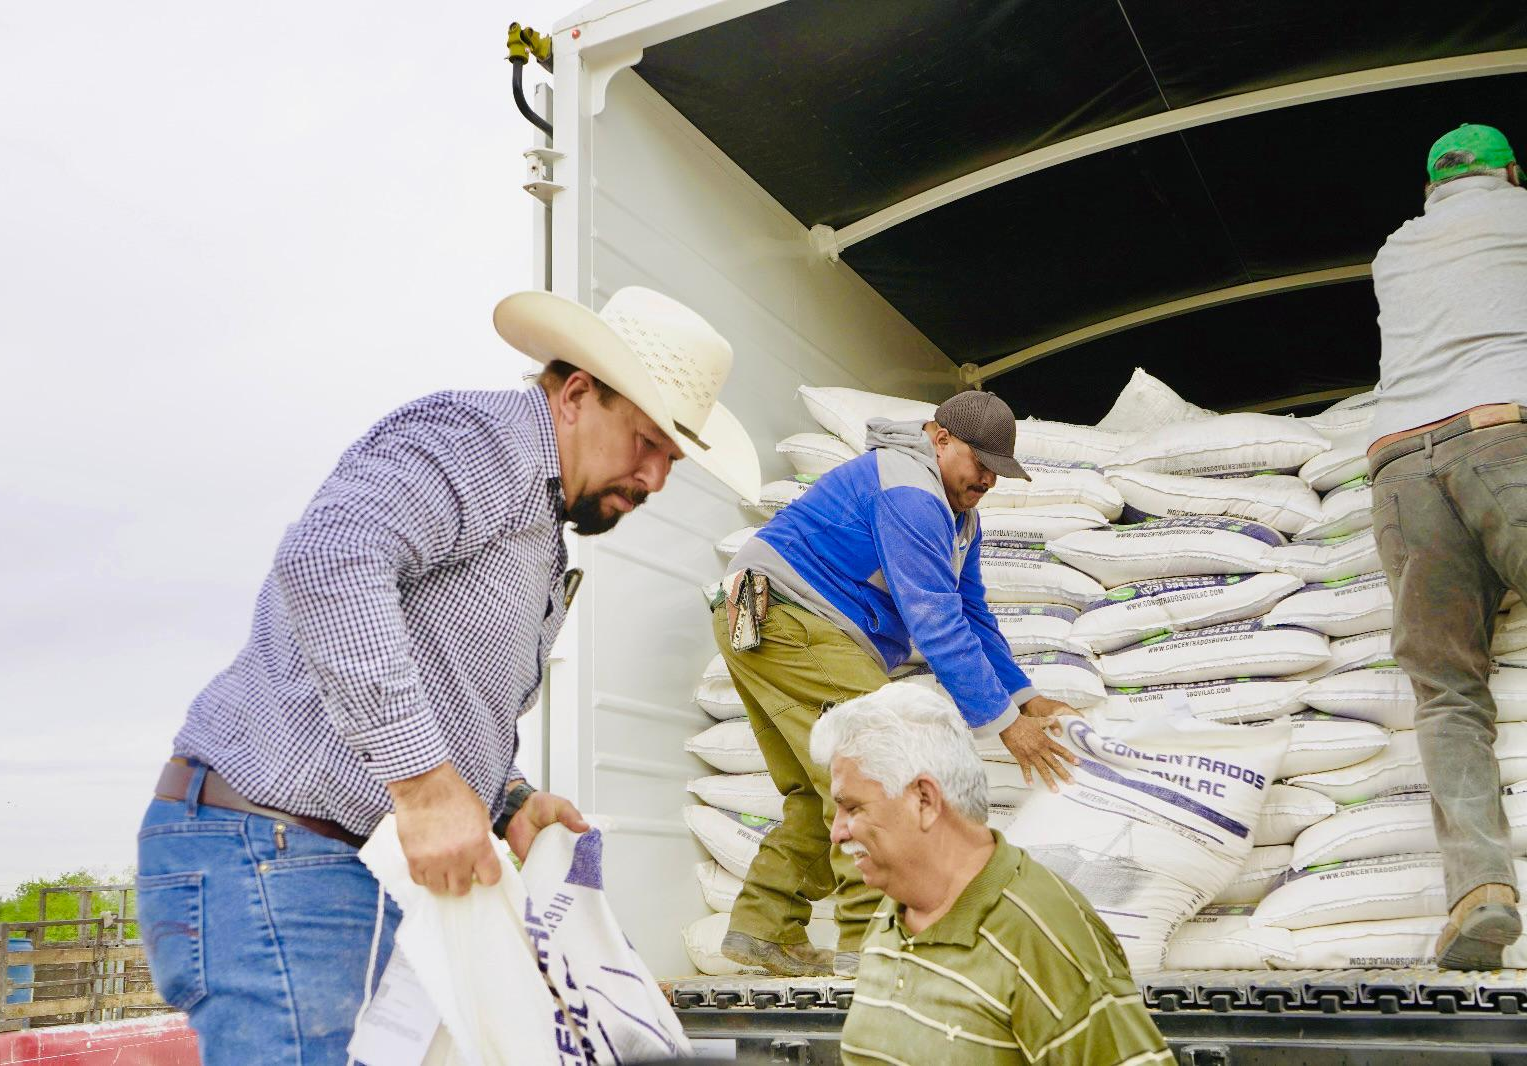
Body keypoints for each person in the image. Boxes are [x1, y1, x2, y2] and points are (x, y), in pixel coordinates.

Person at [134, 286, 760, 1064]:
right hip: (279, 855)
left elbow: (439, 685)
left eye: (673, 456)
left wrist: (509, 800)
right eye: (646, 442)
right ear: (574, 394)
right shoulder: (479, 440)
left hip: (322, 864)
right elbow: (331, 559)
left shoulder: (536, 522)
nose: (658, 477)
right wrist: (426, 788)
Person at [713, 389, 1080, 977]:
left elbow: (971, 612)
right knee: (878, 772)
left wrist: (1026, 698)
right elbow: (935, 621)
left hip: (767, 620)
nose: (987, 479)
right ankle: (874, 946)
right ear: (938, 439)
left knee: (822, 787)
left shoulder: (958, 516)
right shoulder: (910, 492)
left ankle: (765, 928)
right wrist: (1010, 729)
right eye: (978, 463)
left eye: (997, 471)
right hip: (789, 618)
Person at [813, 682, 1171, 1066]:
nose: (837, 833)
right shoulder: (892, 912)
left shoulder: (1043, 937)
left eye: (852, 807)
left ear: (924, 799)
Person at [1367, 122, 1527, 969]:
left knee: (1447, 692)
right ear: (1511, 171)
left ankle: (1481, 892)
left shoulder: (1395, 251)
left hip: (1399, 466)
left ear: (1431, 190)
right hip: (1508, 439)